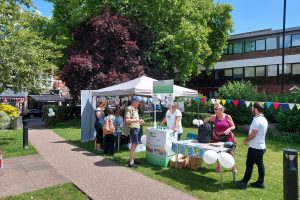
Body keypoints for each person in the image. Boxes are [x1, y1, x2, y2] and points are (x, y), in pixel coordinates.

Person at [236, 102, 268, 189]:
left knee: (249, 165)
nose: (251, 109)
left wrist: (246, 139)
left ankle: (244, 183)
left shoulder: (257, 120)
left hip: (255, 148)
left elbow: (253, 134)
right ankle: (260, 183)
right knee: (260, 164)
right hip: (261, 147)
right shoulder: (264, 119)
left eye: (252, 108)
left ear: (256, 109)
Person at [205, 103, 237, 173]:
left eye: (216, 109)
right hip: (217, 137)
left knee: (230, 151)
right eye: (214, 109)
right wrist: (207, 120)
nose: (215, 110)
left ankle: (233, 167)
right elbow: (205, 121)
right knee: (218, 152)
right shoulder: (214, 117)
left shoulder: (227, 116)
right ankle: (219, 167)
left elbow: (233, 126)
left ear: (221, 109)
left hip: (227, 137)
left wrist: (229, 129)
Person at [126, 96, 144, 168]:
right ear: (134, 101)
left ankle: (132, 159)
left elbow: (134, 119)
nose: (139, 103)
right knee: (134, 144)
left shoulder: (135, 109)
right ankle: (131, 162)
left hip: (137, 128)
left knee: (135, 144)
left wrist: (139, 122)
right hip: (133, 129)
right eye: (138, 102)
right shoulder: (129, 108)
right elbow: (127, 120)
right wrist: (139, 120)